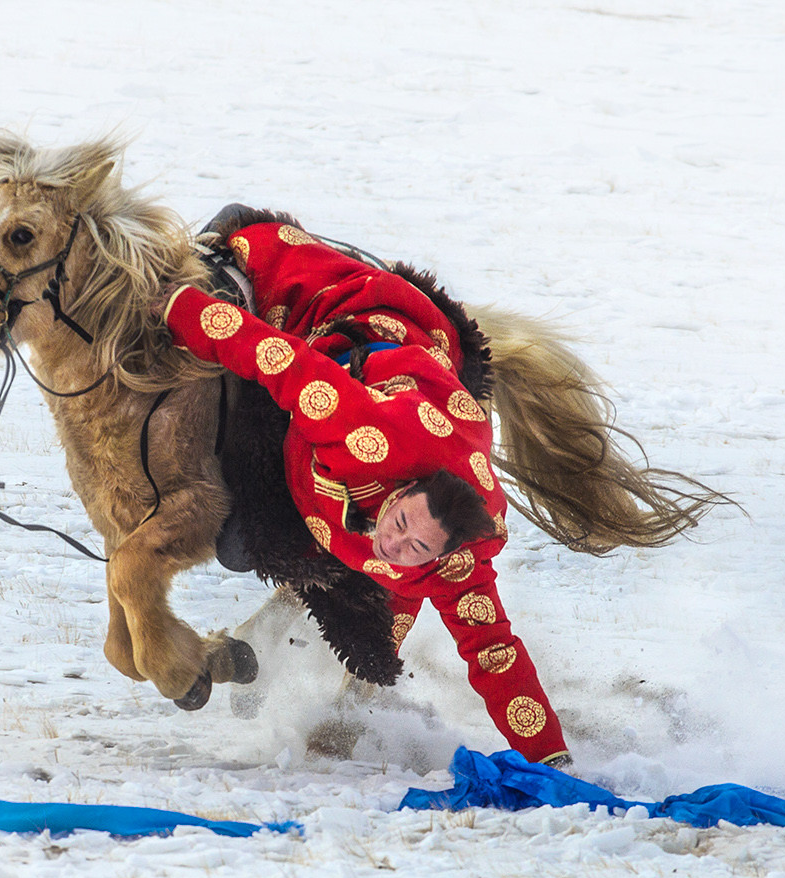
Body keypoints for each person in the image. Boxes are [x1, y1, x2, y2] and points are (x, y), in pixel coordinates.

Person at [163, 214, 571, 767]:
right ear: (400, 493)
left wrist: (552, 763)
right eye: (401, 525)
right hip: (363, 362)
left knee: (382, 615)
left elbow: (495, 655)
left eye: (417, 550)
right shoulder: (361, 433)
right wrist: (175, 306)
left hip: (372, 502)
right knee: (238, 543)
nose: (395, 545)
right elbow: (279, 360)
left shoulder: (453, 565)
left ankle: (355, 702)